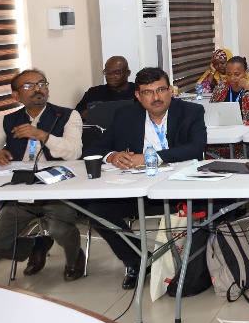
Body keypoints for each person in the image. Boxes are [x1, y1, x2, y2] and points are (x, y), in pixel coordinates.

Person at [83, 67, 207, 289]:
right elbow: (94, 148)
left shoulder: (192, 111)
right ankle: (137, 259)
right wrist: (112, 156)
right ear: (138, 96)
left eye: (161, 90)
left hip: (178, 189)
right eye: (148, 92)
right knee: (96, 210)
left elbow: (195, 149)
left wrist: (150, 157)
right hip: (136, 188)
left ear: (171, 90)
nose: (156, 97)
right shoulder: (125, 115)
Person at [0, 70, 85, 280]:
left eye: (42, 84)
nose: (38, 89)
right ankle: (35, 245)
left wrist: (43, 136)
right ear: (15, 96)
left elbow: (74, 152)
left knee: (60, 230)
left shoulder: (68, 115)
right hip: (21, 193)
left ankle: (74, 257)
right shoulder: (7, 121)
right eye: (29, 86)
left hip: (58, 190)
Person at [211, 56, 249, 122]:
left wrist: (248, 90)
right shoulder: (220, 89)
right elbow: (212, 112)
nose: (232, 78)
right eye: (228, 74)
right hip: (224, 127)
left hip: (246, 129)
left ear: (246, 73)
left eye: (237, 74)